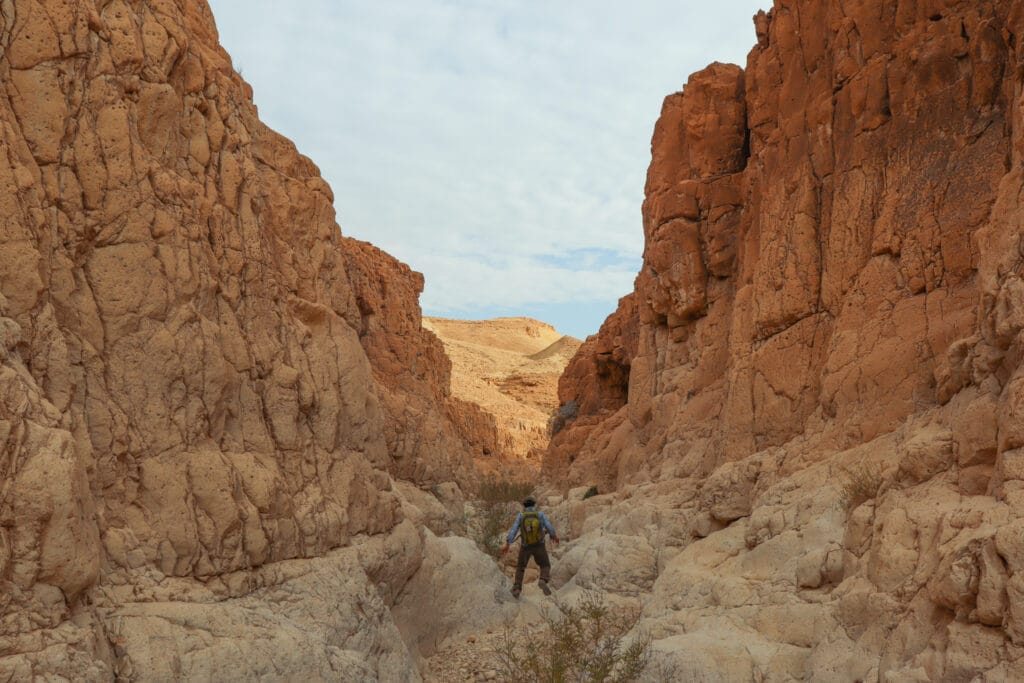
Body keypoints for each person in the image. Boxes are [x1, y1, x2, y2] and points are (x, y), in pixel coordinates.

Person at [502, 495, 560, 598]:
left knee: (520, 567)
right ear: (534, 504)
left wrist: (508, 544)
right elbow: (549, 526)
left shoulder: (521, 515)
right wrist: (554, 536)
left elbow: (513, 530)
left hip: (525, 546)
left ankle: (517, 588)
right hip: (539, 545)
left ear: (524, 505)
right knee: (545, 565)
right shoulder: (540, 514)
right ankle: (542, 579)